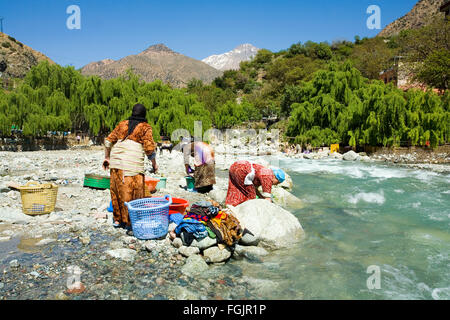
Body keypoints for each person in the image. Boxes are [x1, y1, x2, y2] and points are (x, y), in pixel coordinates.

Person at [103, 104, 158, 230]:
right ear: (144, 114)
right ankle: (130, 222)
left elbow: (108, 141)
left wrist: (107, 157)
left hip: (116, 163)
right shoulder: (145, 127)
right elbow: (149, 149)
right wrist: (154, 164)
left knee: (116, 190)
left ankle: (117, 220)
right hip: (131, 165)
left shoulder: (122, 124)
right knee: (132, 192)